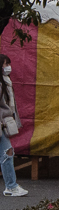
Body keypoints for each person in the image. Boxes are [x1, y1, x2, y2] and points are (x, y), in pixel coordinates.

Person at [0, 54, 24, 197]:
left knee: (7, 151)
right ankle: (11, 186)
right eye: (5, 64)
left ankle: (11, 185)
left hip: (2, 123)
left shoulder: (5, 82)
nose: (8, 67)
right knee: (7, 151)